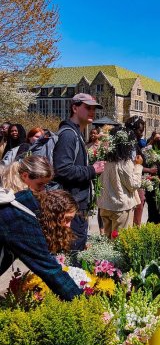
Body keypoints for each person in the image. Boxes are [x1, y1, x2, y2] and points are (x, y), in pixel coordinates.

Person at [0, 187, 82, 300]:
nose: (68, 226)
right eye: (67, 219)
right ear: (53, 214)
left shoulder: (22, 206)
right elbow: (48, 269)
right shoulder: (20, 219)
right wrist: (83, 302)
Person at [53, 93, 104, 253]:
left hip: (77, 204)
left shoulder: (77, 134)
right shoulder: (69, 135)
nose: (92, 112)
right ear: (75, 108)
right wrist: (92, 170)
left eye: (93, 109)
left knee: (77, 248)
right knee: (72, 253)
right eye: (87, 107)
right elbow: (62, 169)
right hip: (71, 206)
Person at [97, 128, 143, 237]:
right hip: (120, 207)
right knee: (119, 241)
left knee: (108, 241)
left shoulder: (103, 158)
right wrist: (138, 166)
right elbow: (134, 185)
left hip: (104, 205)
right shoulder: (124, 162)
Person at [125, 116, 156, 226]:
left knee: (140, 202)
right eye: (140, 131)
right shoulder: (127, 146)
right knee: (138, 204)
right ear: (132, 130)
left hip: (137, 180)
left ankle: (136, 228)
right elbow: (131, 166)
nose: (141, 134)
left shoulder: (135, 144)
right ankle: (135, 230)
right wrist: (149, 170)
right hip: (131, 183)